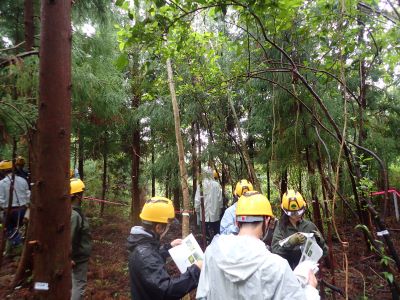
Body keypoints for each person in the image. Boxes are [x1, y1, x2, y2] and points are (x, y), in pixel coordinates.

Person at [196, 190, 320, 300]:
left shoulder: (211, 254)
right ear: (267, 220)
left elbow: (202, 295)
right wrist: (311, 290)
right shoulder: (277, 267)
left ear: (236, 221)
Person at [127, 196, 202, 300]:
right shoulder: (145, 255)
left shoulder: (141, 243)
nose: (168, 228)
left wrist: (168, 248)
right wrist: (196, 270)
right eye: (168, 225)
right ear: (158, 228)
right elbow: (166, 290)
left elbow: (151, 261)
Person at [271, 190, 328, 270]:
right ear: (286, 212)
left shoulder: (309, 226)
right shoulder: (281, 228)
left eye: (299, 211)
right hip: (288, 272)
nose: (297, 215)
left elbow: (324, 252)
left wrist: (320, 241)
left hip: (308, 273)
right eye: (293, 213)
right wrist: (290, 243)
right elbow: (275, 250)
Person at [0, 160, 30, 254]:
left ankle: (18, 248)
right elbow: (28, 194)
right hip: (23, 210)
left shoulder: (1, 183)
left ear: (2, 171)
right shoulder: (23, 180)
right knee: (20, 230)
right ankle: (11, 251)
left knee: (9, 231)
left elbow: (1, 199)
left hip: (9, 211)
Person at [70, 178, 92, 300]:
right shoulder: (74, 215)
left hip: (78, 257)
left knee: (75, 284)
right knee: (79, 285)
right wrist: (69, 257)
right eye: (81, 194)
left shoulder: (74, 212)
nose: (83, 196)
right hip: (77, 258)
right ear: (77, 196)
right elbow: (69, 238)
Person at [194, 167, 223, 242]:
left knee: (204, 232)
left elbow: (197, 199)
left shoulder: (201, 185)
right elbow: (220, 199)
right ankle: (216, 244)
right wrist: (220, 210)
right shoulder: (216, 185)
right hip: (215, 214)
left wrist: (197, 210)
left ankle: (206, 243)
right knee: (216, 232)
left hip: (204, 214)